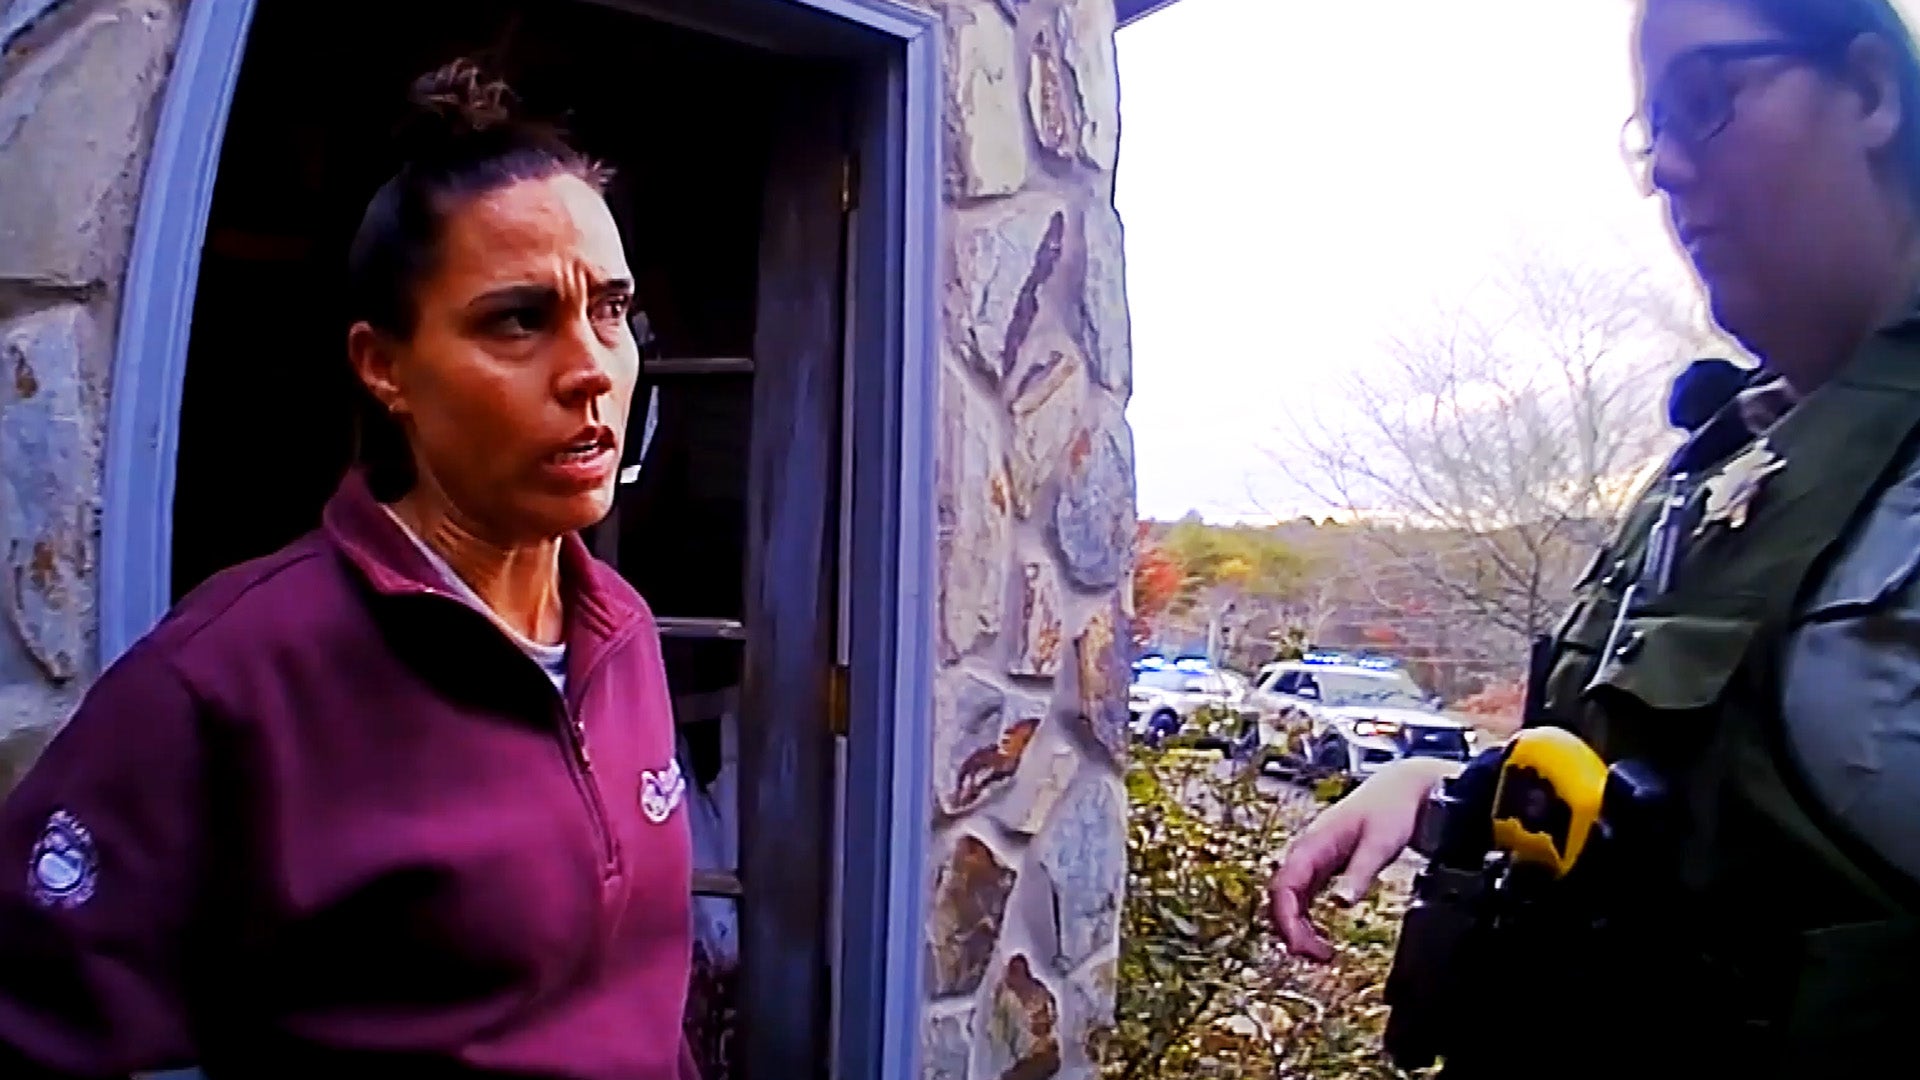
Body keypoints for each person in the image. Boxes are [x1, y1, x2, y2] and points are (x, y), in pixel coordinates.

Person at [0, 61, 700, 1079]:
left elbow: (638, 1011)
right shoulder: (228, 678)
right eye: (518, 319)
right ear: (385, 367)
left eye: (610, 309)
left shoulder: (619, 630)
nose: (593, 366)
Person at [1273, 0, 1920, 1070]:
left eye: (1705, 103)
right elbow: (1658, 807)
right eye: (1649, 130)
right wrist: (1445, 793)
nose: (1665, 167)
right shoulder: (1721, 461)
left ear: (1868, 92)